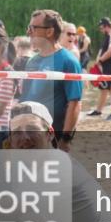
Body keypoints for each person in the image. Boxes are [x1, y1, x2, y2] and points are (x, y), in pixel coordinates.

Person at [19, 9, 82, 151]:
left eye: (33, 28)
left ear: (49, 32)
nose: (29, 32)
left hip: (53, 135)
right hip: (29, 135)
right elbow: (26, 99)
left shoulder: (68, 61)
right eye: (29, 27)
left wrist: (66, 138)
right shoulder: (32, 61)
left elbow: (75, 103)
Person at [88, 17, 111, 116]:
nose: (100, 30)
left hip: (109, 67)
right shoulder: (108, 35)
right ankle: (99, 110)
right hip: (105, 67)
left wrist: (100, 60)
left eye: (101, 28)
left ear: (106, 26)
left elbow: (110, 51)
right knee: (104, 89)